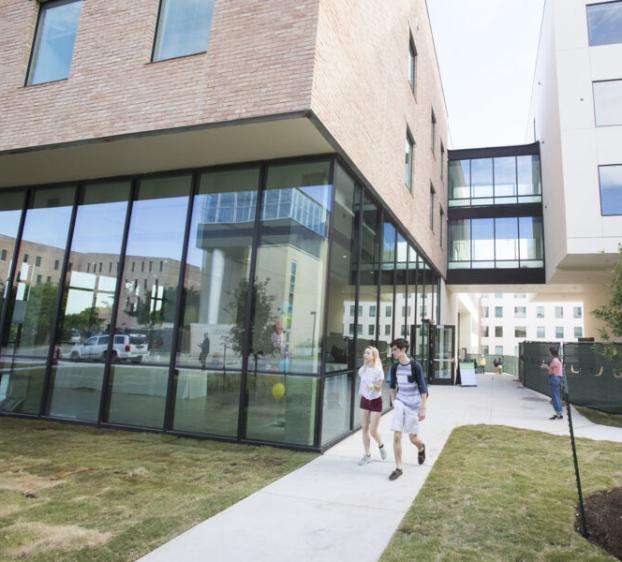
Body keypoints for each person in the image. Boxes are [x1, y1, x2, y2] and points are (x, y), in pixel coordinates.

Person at [387, 338, 428, 481]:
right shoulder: (394, 368)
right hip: (400, 402)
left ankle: (421, 447)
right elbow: (392, 386)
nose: (392, 353)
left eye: (395, 350)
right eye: (392, 350)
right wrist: (394, 402)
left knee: (413, 438)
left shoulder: (415, 366)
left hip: (414, 405)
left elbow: (423, 388)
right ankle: (398, 468)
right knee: (397, 436)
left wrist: (423, 408)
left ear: (403, 350)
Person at [357, 346, 387, 466]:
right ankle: (367, 455)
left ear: (374, 356)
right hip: (364, 400)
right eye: (365, 353)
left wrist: (373, 386)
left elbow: (379, 387)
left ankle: (380, 445)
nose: (365, 355)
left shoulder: (378, 370)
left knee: (373, 430)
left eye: (368, 353)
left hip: (375, 401)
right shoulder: (362, 369)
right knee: (364, 428)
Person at [541, 346, 564, 420]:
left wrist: (546, 366)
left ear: (551, 352)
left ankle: (558, 413)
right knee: (556, 396)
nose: (548, 353)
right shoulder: (558, 360)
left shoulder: (555, 361)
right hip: (557, 379)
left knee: (555, 397)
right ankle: (559, 413)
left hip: (554, 378)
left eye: (549, 351)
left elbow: (552, 372)